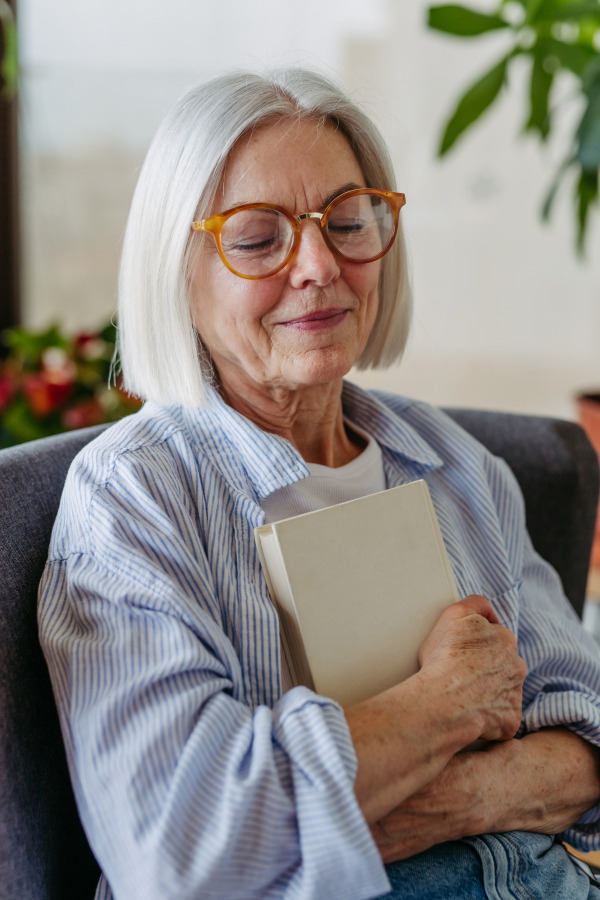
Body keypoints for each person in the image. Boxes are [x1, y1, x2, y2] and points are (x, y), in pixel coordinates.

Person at [38, 68, 600, 900]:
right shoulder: (133, 497)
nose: (319, 265)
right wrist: (446, 705)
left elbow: (585, 741)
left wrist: (439, 801)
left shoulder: (457, 462)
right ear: (177, 269)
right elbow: (183, 847)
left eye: (346, 222)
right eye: (259, 238)